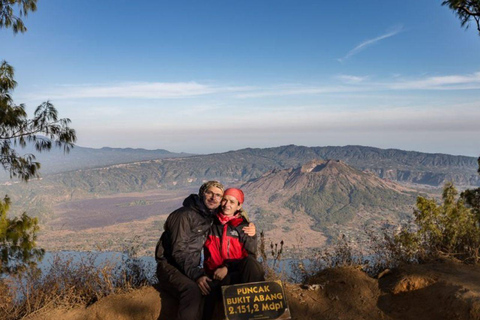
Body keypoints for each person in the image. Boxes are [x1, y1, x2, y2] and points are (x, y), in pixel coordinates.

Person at [155, 181, 255, 320]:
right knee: (193, 291)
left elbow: (233, 212)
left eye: (218, 195)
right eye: (209, 193)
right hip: (170, 266)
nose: (213, 197)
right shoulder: (183, 215)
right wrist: (197, 275)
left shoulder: (208, 216)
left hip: (188, 267)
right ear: (202, 193)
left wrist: (249, 224)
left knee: (209, 289)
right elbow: (178, 252)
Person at [202, 188, 265, 320]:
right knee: (209, 296)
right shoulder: (209, 222)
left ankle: (253, 313)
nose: (227, 204)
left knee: (252, 265)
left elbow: (250, 259)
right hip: (214, 277)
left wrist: (227, 267)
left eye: (232, 201)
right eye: (224, 200)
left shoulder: (245, 228)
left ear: (239, 205)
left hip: (237, 275)